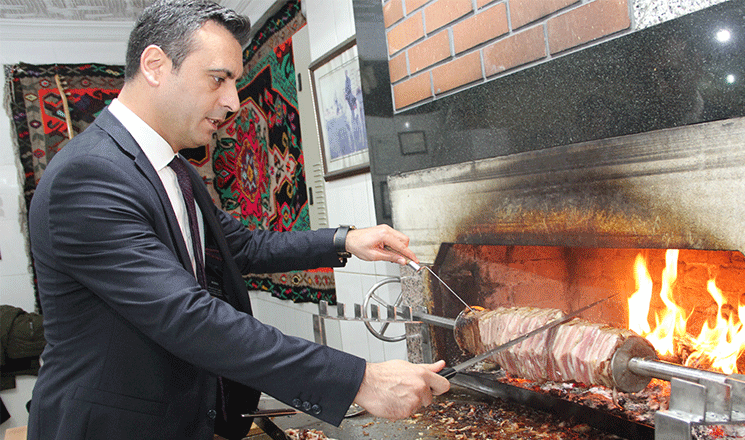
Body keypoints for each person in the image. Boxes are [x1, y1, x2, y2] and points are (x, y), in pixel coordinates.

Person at [25, 1, 449, 439]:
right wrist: (359, 379)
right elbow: (185, 315)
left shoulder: (174, 169)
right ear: (155, 65)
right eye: (218, 79)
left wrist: (345, 240)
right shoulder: (89, 175)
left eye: (234, 81)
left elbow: (243, 247)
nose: (232, 102)